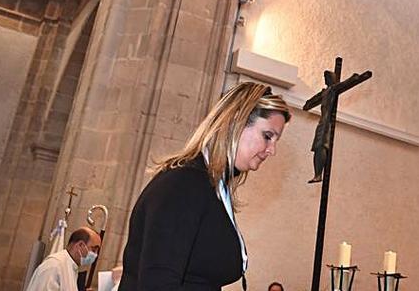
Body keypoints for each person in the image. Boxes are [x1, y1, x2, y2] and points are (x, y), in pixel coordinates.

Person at [119, 82, 291, 290]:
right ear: (235, 121)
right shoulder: (183, 185)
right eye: (267, 136)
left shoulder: (212, 187)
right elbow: (158, 283)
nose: (271, 150)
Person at [26, 227, 101, 291]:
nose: (95, 255)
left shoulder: (71, 267)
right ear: (80, 245)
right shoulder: (54, 265)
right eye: (94, 249)